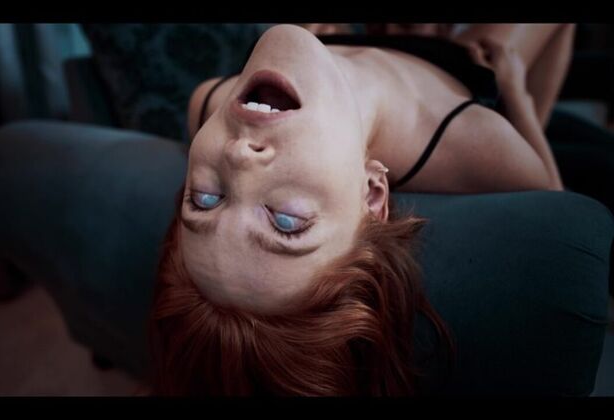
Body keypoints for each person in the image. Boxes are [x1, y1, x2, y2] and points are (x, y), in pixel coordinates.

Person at [146, 23, 575, 396]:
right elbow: (565, 215)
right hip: (448, 61)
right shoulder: (470, 140)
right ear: (371, 194)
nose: (238, 156)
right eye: (287, 221)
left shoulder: (207, 102)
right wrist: (518, 95)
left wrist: (310, 48)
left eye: (205, 199)